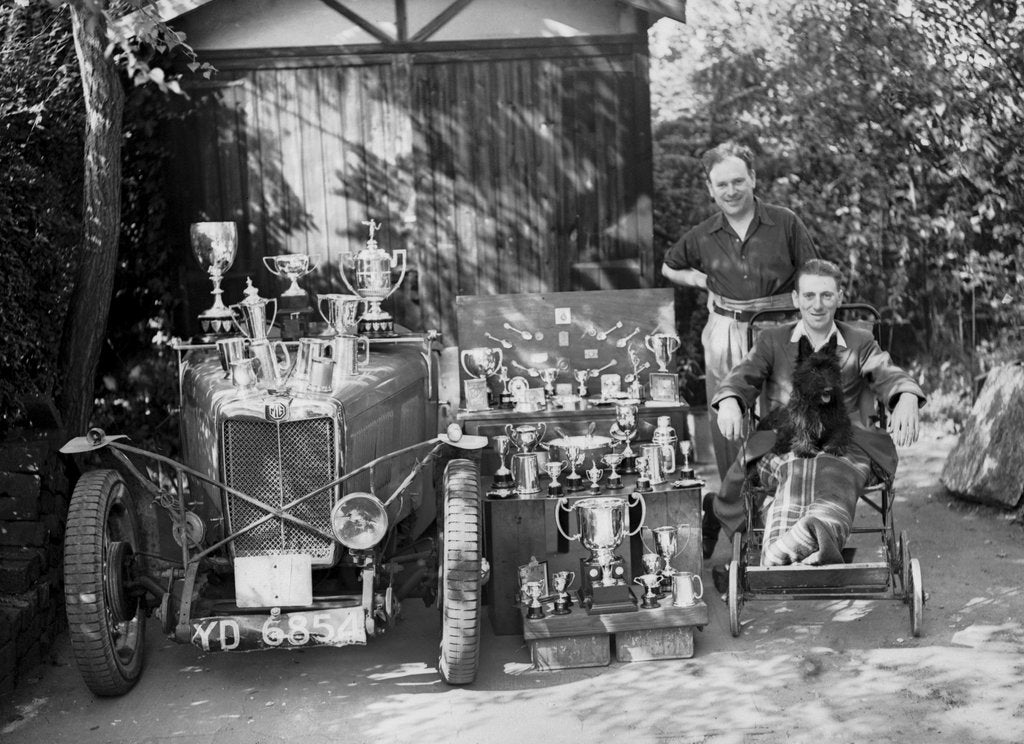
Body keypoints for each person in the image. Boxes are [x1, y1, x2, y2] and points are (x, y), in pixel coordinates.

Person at [703, 258, 926, 563]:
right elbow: (743, 375)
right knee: (797, 467)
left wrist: (907, 398)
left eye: (826, 295)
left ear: (840, 297)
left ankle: (800, 541)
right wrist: (730, 400)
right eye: (809, 295)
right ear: (796, 298)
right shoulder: (773, 340)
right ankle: (795, 541)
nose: (817, 305)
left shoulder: (860, 341)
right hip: (785, 439)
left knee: (830, 470)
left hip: (843, 443)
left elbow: (887, 373)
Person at [661, 142, 819, 494]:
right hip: (726, 331)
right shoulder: (703, 234)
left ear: (753, 179)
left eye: (738, 181)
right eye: (722, 184)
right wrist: (699, 279)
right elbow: (669, 266)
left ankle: (789, 503)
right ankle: (739, 510)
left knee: (788, 415)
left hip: (782, 327)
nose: (731, 191)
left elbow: (813, 275)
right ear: (710, 189)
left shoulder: (785, 222)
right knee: (728, 417)